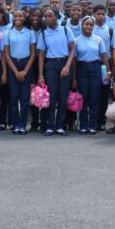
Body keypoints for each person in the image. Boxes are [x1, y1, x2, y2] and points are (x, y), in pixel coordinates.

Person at [37, 8, 76, 136]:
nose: (46, 18)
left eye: (50, 16)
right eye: (45, 16)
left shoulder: (65, 30)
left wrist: (67, 66)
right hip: (51, 65)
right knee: (51, 96)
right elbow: (41, 55)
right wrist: (41, 75)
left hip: (64, 63)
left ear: (57, 17)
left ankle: (60, 126)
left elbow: (72, 50)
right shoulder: (43, 33)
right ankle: (49, 126)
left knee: (63, 96)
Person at [74, 16, 111, 135]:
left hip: (95, 68)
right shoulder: (76, 40)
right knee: (84, 98)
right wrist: (73, 78)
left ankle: (93, 125)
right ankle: (83, 125)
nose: (89, 27)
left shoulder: (98, 39)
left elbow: (104, 56)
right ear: (82, 25)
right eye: (86, 24)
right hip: (81, 69)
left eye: (91, 25)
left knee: (94, 98)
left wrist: (109, 72)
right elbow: (74, 60)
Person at [4, 9, 36, 134]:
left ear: (24, 18)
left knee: (24, 97)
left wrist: (25, 70)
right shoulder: (8, 33)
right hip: (13, 65)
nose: (17, 18)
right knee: (13, 97)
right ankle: (14, 124)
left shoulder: (30, 33)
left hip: (26, 63)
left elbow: (33, 54)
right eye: (15, 16)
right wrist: (16, 71)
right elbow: (6, 54)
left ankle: (22, 124)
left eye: (20, 16)